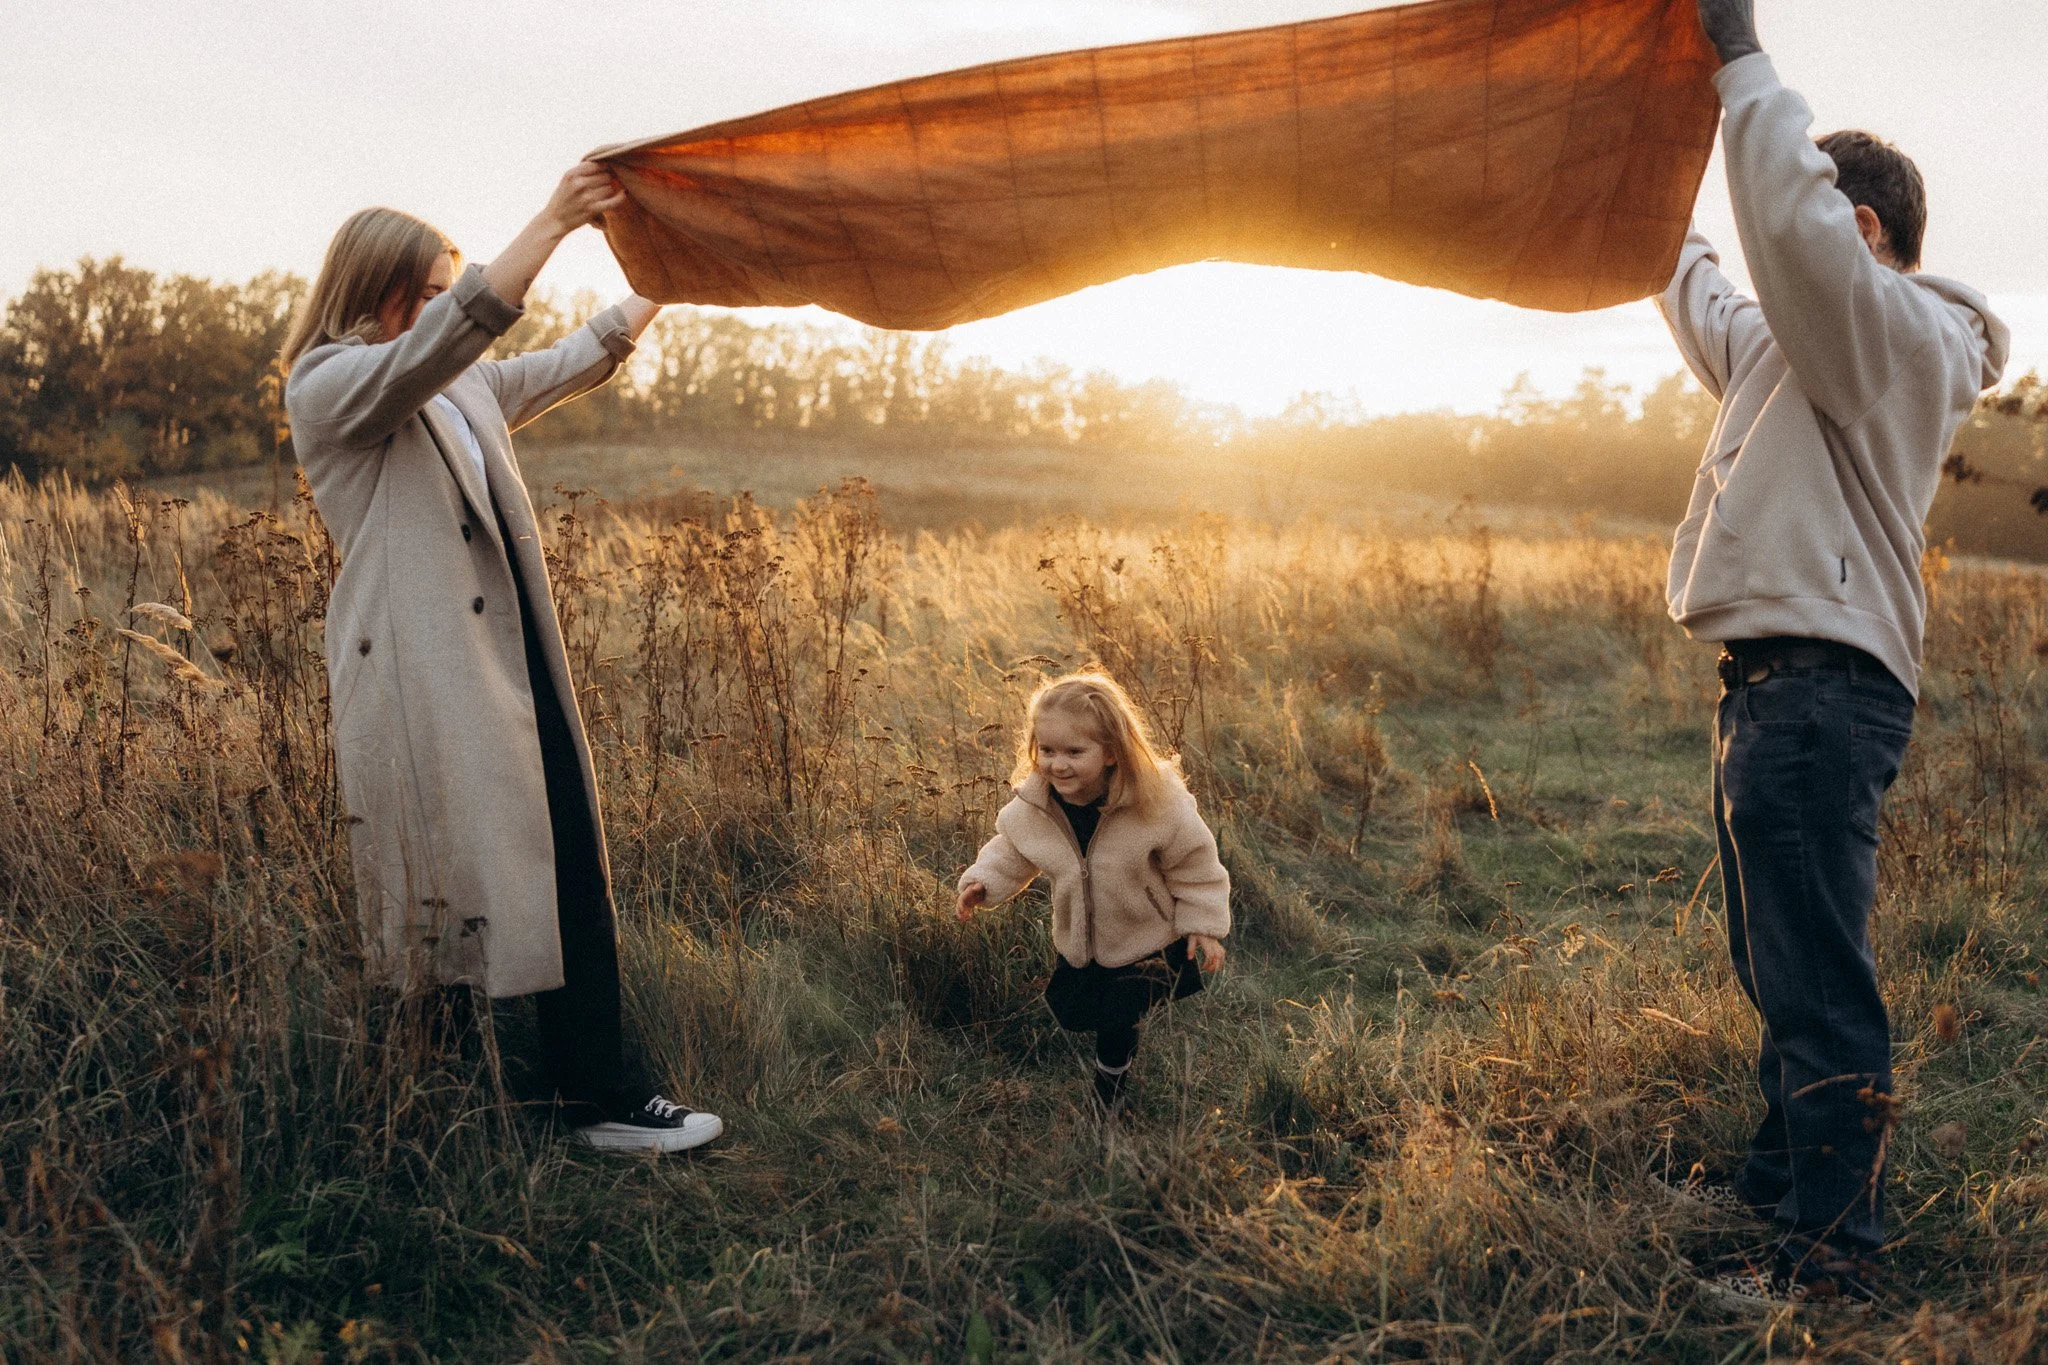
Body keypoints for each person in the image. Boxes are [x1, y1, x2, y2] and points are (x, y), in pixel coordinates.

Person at [1657, 0, 2009, 1308]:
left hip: (1821, 696)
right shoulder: (1792, 356)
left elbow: (1794, 241)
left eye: (1809, 230)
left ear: (1860, 233)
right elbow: (1694, 277)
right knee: (1780, 968)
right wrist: (1646, 150)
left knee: (1818, 983)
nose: (1776, 263)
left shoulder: (1906, 343)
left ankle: (1829, 1266)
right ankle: (1779, 1187)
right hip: (1770, 697)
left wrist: (1740, 60)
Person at [282, 164, 722, 1154]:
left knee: (568, 864)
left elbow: (571, 359)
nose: (444, 306)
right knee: (432, 896)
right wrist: (553, 223)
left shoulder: (457, 386)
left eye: (448, 287)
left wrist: (669, 280)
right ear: (372, 288)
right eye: (428, 290)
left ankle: (597, 1102)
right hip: (417, 680)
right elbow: (467, 330)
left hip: (510, 668)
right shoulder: (331, 386)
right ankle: (435, 1115)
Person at [956, 674, 1230, 1113]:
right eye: (1047, 751)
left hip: (1143, 936)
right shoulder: (1035, 807)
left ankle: (1109, 1092)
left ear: (1110, 752)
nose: (1057, 764)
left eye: (1073, 752)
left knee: (1118, 1021)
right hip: (1080, 939)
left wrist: (1203, 924)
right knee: (1080, 1012)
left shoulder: (1154, 801)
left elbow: (1193, 863)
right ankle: (1113, 1064)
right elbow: (1010, 849)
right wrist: (982, 882)